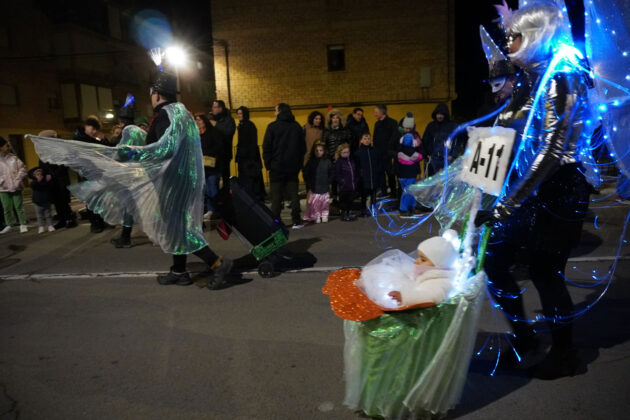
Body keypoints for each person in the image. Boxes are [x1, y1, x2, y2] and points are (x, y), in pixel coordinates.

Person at [475, 1, 592, 379]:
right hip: (529, 187)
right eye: (507, 36)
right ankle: (524, 338)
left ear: (537, 37)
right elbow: (510, 134)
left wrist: (506, 204)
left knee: (545, 271)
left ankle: (565, 353)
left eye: (515, 36)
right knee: (493, 262)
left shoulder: (562, 75)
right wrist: (481, 185)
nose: (508, 44)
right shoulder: (530, 78)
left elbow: (553, 150)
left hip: (559, 187)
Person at [30, 70, 233, 289]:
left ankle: (217, 263)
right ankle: (179, 270)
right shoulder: (178, 112)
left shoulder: (168, 114)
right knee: (175, 227)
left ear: (155, 94)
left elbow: (165, 149)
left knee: (180, 229)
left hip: (173, 184)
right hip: (177, 181)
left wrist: (129, 152)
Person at [263, 102, 306, 229]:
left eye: (275, 110)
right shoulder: (296, 127)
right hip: (292, 167)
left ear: (280, 111)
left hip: (276, 167)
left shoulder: (272, 127)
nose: (274, 112)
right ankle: (296, 220)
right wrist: (298, 164)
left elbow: (267, 147)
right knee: (294, 195)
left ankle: (276, 222)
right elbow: (302, 148)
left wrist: (268, 164)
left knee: (276, 197)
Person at [387, 232, 458, 307]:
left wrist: (404, 297)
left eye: (423, 260)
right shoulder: (430, 277)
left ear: (439, 265)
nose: (416, 261)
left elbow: (430, 296)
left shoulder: (442, 282)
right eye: (418, 257)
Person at [73, 116, 109, 232]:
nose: (94, 132)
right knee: (91, 199)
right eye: (93, 129)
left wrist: (103, 140)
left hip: (97, 172)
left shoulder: (89, 138)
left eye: (95, 130)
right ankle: (95, 223)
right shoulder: (80, 137)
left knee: (100, 198)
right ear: (87, 126)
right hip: (87, 173)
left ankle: (102, 220)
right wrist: (101, 140)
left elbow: (105, 149)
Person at [36, 130, 77, 230]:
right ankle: (62, 220)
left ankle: (70, 219)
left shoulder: (59, 150)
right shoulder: (44, 151)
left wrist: (54, 174)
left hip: (60, 179)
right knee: (56, 201)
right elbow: (42, 164)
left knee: (63, 201)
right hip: (51, 181)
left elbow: (64, 165)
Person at [196, 113, 224, 219]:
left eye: (199, 120)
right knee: (206, 189)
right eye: (196, 120)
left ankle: (217, 209)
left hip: (212, 165)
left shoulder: (212, 132)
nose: (197, 122)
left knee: (212, 187)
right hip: (202, 166)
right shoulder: (197, 135)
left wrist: (207, 154)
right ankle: (210, 209)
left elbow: (219, 146)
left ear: (204, 121)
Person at [235, 106, 265, 201]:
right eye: (238, 114)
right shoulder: (242, 125)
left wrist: (250, 158)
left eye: (241, 114)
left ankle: (253, 198)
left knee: (250, 180)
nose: (239, 116)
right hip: (244, 158)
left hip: (249, 159)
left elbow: (252, 142)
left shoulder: (249, 125)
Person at [0, 136, 28, 234]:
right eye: (5, 145)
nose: (7, 147)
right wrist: (1, 181)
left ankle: (23, 224)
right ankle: (9, 224)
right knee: (6, 208)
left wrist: (17, 180)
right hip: (3, 188)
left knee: (18, 207)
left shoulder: (13, 158)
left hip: (16, 186)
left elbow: (23, 169)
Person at [422, 103, 458, 176]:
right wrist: (426, 154)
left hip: (447, 159)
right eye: (438, 114)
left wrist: (453, 155)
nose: (439, 116)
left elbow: (457, 141)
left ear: (445, 115)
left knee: (446, 181)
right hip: (433, 159)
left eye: (442, 114)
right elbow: (425, 140)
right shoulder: (431, 126)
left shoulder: (452, 126)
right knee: (432, 181)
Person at [372, 104, 399, 198]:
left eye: (376, 112)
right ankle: (383, 192)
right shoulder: (377, 124)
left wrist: (389, 150)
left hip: (389, 153)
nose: (374, 114)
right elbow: (375, 138)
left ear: (382, 112)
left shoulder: (392, 123)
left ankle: (393, 192)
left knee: (390, 173)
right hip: (378, 153)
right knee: (380, 173)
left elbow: (394, 138)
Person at [303, 142, 332, 223]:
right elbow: (305, 173)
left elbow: (331, 172)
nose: (319, 152)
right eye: (316, 150)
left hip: (324, 187)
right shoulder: (310, 162)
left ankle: (325, 215)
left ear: (324, 151)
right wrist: (309, 182)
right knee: (316, 204)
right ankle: (317, 216)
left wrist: (329, 180)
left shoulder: (327, 162)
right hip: (314, 188)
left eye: (321, 150)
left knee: (325, 203)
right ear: (313, 152)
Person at [354, 133, 381, 217]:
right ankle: (363, 210)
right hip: (363, 178)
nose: (367, 140)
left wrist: (378, 172)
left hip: (373, 176)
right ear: (361, 140)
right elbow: (356, 166)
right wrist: (359, 175)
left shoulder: (374, 151)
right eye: (365, 139)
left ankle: (373, 209)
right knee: (364, 195)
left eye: (368, 139)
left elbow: (378, 163)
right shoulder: (358, 152)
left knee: (373, 194)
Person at [210, 100, 236, 188]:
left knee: (225, 177)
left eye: (214, 107)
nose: (212, 109)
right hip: (213, 154)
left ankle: (226, 196)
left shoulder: (229, 120)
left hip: (224, 153)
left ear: (220, 108)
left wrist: (216, 125)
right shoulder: (211, 119)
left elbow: (229, 132)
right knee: (213, 178)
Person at [396, 131, 422, 218]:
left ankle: (410, 207)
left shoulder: (399, 150)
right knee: (409, 192)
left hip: (401, 175)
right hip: (410, 174)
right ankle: (404, 209)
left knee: (407, 191)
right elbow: (420, 157)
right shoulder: (413, 151)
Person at [333, 143, 357, 222]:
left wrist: (355, 181)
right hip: (344, 186)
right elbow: (337, 174)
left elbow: (354, 171)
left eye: (348, 152)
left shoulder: (351, 161)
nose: (346, 154)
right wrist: (342, 181)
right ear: (340, 153)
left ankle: (349, 212)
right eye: (344, 152)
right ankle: (344, 214)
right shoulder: (339, 162)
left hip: (351, 185)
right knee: (344, 201)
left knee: (350, 200)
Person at [27, 167, 55, 234]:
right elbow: (32, 186)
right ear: (34, 176)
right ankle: (41, 227)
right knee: (39, 215)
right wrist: (37, 180)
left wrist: (48, 179)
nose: (39, 176)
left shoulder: (46, 181)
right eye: (37, 174)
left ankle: (50, 225)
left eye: (40, 174)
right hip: (37, 201)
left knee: (48, 214)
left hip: (46, 200)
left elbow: (49, 186)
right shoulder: (34, 182)